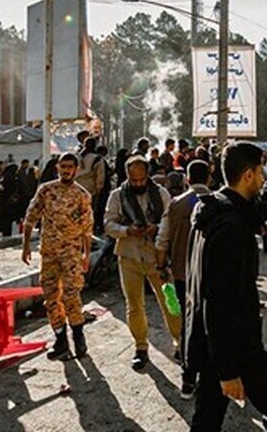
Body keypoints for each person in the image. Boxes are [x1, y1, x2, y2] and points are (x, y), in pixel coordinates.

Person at [186, 142, 267, 431]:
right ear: (248, 175)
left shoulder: (212, 210)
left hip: (217, 343)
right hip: (235, 346)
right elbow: (217, 299)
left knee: (207, 420)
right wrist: (227, 370)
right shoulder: (230, 226)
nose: (263, 179)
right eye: (261, 172)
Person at [105, 155, 180, 371]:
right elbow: (108, 224)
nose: (137, 184)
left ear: (147, 175)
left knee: (170, 301)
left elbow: (171, 219)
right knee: (135, 305)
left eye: (141, 180)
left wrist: (156, 228)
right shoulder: (117, 196)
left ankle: (180, 343)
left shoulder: (161, 194)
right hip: (129, 256)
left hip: (157, 257)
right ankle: (140, 347)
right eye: (133, 180)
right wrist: (127, 231)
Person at [21, 152, 94, 361]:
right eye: (63, 166)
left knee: (71, 295)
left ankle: (78, 336)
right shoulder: (46, 190)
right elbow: (30, 219)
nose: (66, 170)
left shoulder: (82, 195)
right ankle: (60, 338)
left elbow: (87, 230)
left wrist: (86, 255)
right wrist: (25, 246)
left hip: (71, 254)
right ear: (57, 168)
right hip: (50, 253)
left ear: (76, 169)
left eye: (70, 167)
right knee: (51, 297)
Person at [157, 159, 213, 399]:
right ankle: (213, 376)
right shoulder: (218, 203)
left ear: (187, 179)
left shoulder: (175, 204)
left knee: (188, 323)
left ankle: (188, 379)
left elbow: (162, 239)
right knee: (210, 324)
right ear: (209, 178)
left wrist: (161, 265)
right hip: (210, 275)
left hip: (181, 274)